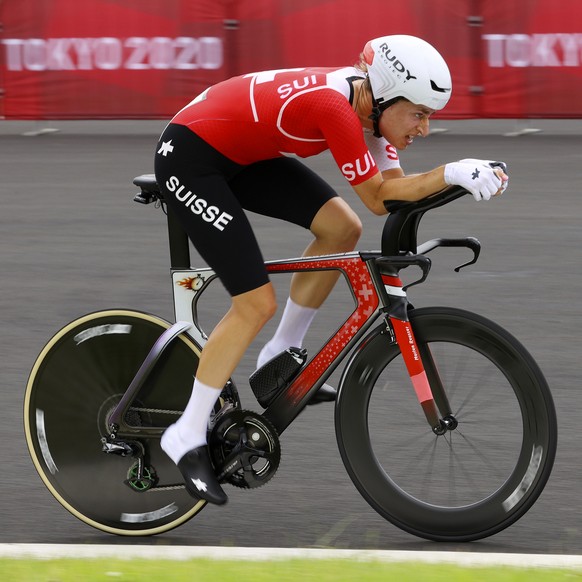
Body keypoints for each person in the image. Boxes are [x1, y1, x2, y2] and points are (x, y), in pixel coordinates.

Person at [154, 34, 508, 505]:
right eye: (419, 114)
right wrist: (450, 172)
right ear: (384, 94)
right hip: (191, 158)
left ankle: (279, 353)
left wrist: (458, 178)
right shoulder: (336, 109)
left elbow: (397, 189)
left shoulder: (372, 109)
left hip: (239, 153)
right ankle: (186, 431)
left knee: (342, 227)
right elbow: (382, 197)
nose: (423, 129)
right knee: (254, 302)